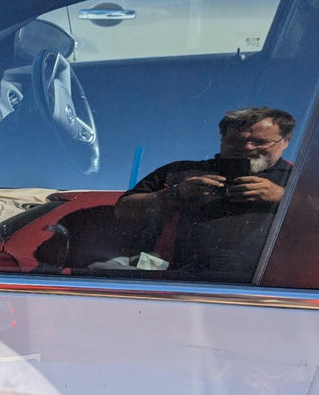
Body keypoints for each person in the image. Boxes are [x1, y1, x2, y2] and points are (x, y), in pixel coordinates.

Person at [113, 107, 296, 280]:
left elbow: (316, 222)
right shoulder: (180, 171)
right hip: (179, 279)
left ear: (286, 141)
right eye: (234, 141)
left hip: (270, 285)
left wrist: (282, 197)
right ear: (222, 139)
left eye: (260, 142)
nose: (247, 147)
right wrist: (174, 194)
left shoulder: (300, 178)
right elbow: (123, 210)